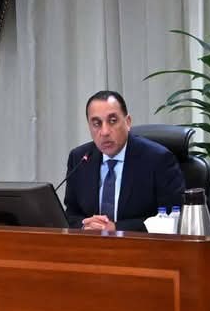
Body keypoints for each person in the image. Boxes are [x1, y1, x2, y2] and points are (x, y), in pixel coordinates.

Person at [64, 90, 184, 232]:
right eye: (96, 123)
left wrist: (116, 229)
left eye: (112, 121)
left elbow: (172, 218)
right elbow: (71, 214)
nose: (104, 132)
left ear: (127, 122)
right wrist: (85, 226)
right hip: (91, 244)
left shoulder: (158, 160)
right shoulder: (79, 158)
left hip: (140, 244)